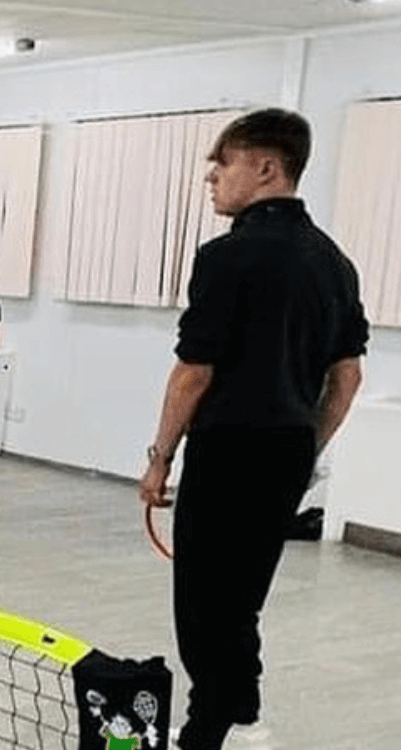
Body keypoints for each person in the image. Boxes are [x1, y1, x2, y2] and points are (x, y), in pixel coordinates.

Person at [138, 108, 367, 750]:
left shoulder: (228, 256)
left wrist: (159, 458)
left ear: (267, 167)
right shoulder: (335, 263)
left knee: (205, 604)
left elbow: (193, 373)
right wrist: (306, 446)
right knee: (242, 595)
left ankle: (208, 731)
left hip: (228, 449)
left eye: (224, 162)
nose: (211, 176)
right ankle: (244, 717)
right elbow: (346, 380)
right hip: (288, 450)